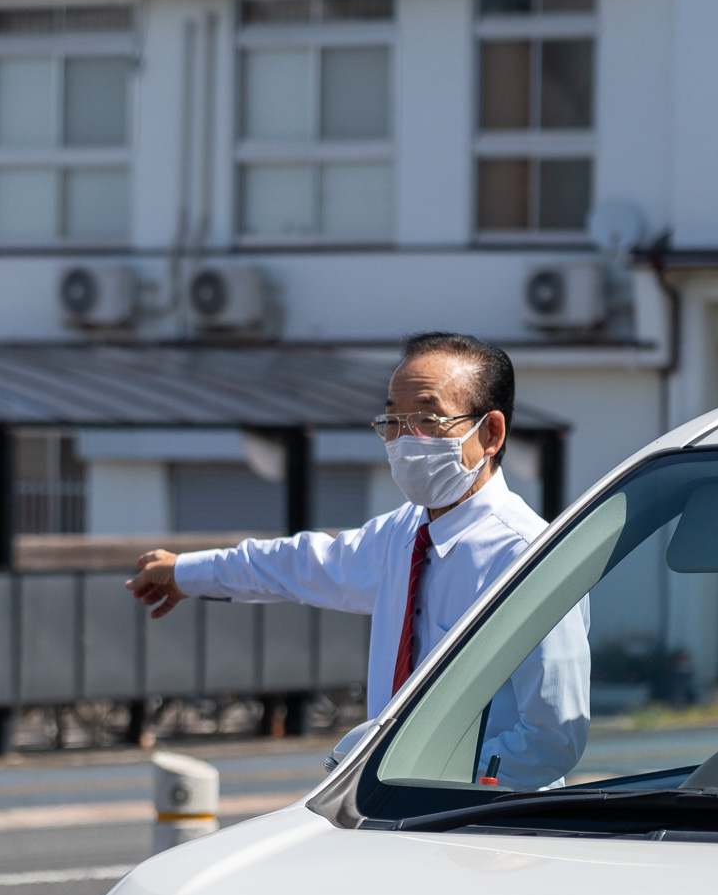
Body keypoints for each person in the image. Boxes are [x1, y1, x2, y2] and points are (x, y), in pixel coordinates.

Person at [127, 331, 590, 789]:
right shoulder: (402, 535)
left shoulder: (531, 558)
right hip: (392, 812)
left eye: (427, 419)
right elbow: (299, 565)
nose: (405, 440)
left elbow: (551, 739)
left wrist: (429, 780)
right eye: (392, 421)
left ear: (490, 433)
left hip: (489, 823)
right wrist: (186, 572)